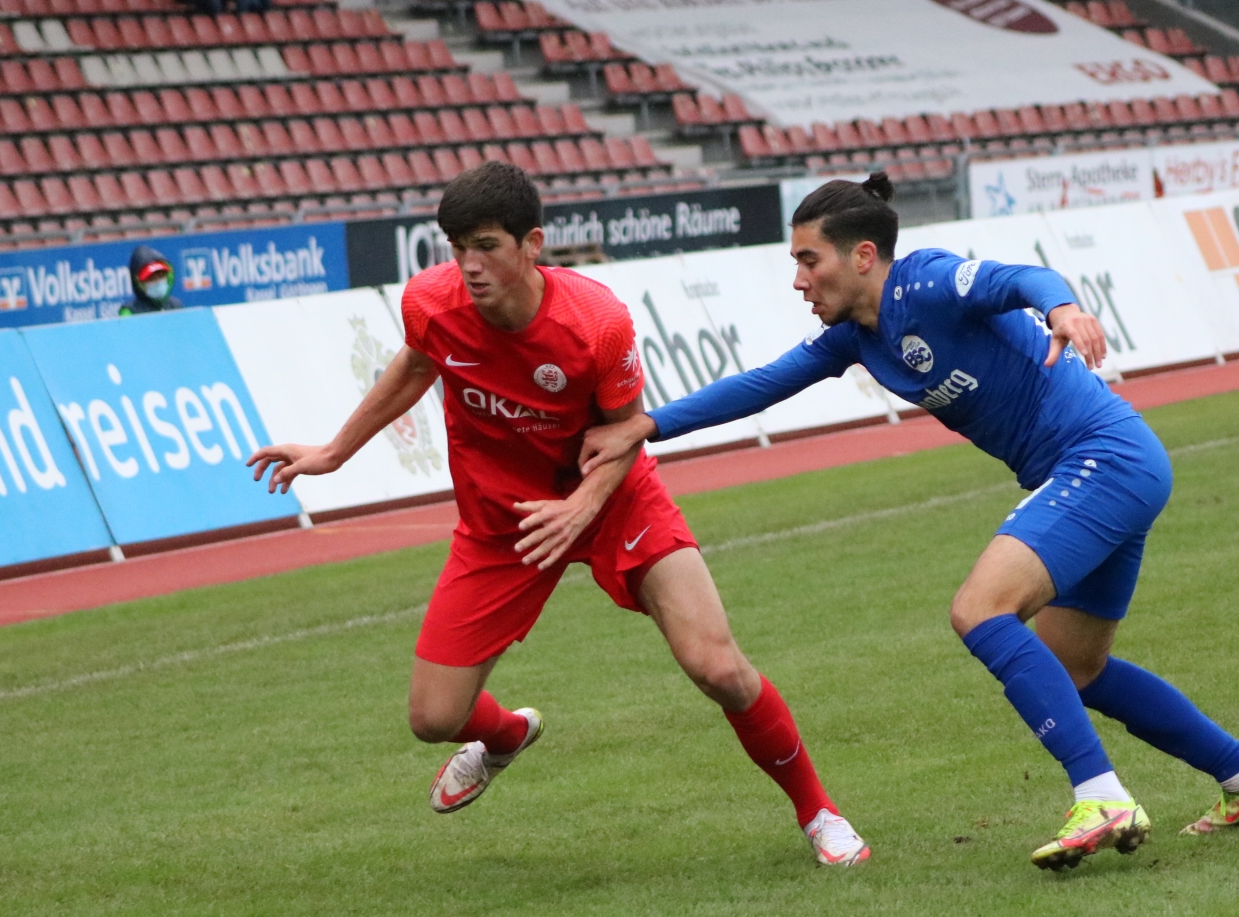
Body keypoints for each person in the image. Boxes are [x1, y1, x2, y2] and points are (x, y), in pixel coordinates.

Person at [580, 174, 1239, 871]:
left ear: (863, 256)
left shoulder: (926, 281)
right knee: (1075, 667)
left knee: (979, 610)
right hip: (1105, 469)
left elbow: (1021, 277)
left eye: (808, 259)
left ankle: (1100, 797)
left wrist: (1063, 309)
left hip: (1102, 459)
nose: (798, 279)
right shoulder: (855, 336)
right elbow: (760, 385)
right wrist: (646, 425)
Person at [245, 162, 871, 867]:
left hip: (614, 500)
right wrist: (334, 452)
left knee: (717, 667)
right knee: (433, 719)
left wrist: (582, 506)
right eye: (457, 248)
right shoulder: (429, 302)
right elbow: (419, 365)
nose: (469, 266)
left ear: (531, 243)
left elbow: (623, 436)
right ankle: (506, 735)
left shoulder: (596, 325)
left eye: (486, 245)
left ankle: (819, 812)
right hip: (502, 524)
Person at [118, 245, 182, 316]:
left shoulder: (176, 306)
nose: (158, 281)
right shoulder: (129, 311)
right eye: (151, 278)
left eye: (161, 276)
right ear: (139, 284)